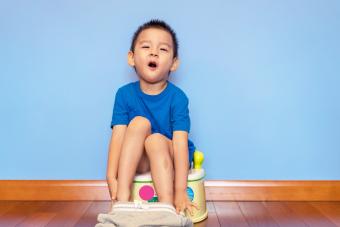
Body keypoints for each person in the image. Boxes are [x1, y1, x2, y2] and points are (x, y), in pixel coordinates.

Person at [106, 19, 198, 215]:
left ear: (174, 63)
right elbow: (118, 137)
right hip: (140, 159)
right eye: (146, 46)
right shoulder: (123, 94)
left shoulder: (178, 98)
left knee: (155, 141)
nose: (154, 52)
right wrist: (110, 177)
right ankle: (122, 200)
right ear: (131, 58)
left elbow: (180, 143)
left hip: (171, 156)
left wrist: (180, 190)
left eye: (163, 49)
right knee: (139, 123)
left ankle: (167, 207)